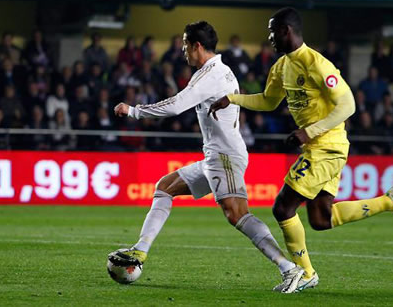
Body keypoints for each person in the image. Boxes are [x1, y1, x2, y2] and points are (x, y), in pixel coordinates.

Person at [209, 7, 393, 293]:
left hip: (327, 146)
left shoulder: (317, 63)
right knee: (321, 219)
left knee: (283, 207)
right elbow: (268, 101)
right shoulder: (282, 66)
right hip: (320, 147)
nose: (269, 37)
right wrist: (231, 99)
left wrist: (309, 131)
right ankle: (390, 202)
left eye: (272, 31)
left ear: (286, 31)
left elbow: (348, 105)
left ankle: (305, 273)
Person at [110, 21, 297, 291]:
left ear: (197, 46)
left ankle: (289, 268)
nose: (184, 51)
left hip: (225, 156)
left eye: (186, 45)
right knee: (165, 187)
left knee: (237, 214)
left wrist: (134, 111)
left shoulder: (212, 74)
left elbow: (176, 105)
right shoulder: (215, 71)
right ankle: (140, 250)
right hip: (215, 156)